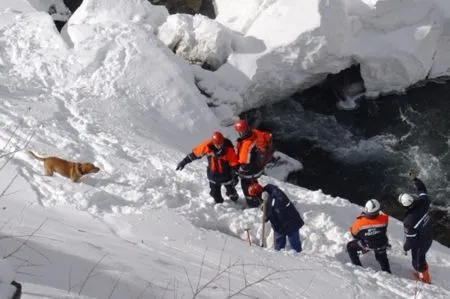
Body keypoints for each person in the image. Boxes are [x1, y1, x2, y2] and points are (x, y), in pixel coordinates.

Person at [176, 132, 239, 204]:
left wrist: (235, 175)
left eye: (221, 143)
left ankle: (233, 197)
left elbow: (234, 163)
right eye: (217, 144)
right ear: (213, 142)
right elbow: (195, 154)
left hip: (226, 176)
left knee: (233, 196)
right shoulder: (207, 146)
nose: (219, 146)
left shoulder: (228, 148)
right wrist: (184, 162)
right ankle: (219, 205)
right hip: (213, 176)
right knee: (217, 198)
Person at [248, 182, 304, 252]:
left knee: (296, 248)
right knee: (278, 249)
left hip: (290, 222)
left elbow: (281, 201)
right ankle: (278, 261)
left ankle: (298, 262)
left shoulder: (274, 192)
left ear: (258, 193)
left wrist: (269, 200)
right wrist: (266, 216)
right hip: (278, 226)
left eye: (255, 196)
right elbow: (271, 211)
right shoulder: (262, 199)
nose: (255, 199)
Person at [398, 171, 433, 283]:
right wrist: (415, 180)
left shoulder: (409, 221)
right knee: (421, 256)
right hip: (429, 233)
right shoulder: (423, 201)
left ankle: (425, 278)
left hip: (420, 243)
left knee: (417, 263)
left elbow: (411, 241)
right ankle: (423, 265)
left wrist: (405, 248)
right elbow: (422, 190)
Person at [234, 119, 274, 207]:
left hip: (250, 172)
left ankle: (253, 204)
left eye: (240, 132)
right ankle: (261, 197)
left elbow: (245, 164)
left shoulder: (247, 145)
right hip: (256, 168)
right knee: (254, 185)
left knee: (247, 188)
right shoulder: (254, 133)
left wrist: (238, 170)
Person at [347, 199, 391, 273]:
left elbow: (354, 234)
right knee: (382, 259)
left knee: (350, 247)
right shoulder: (385, 219)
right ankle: (387, 272)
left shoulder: (360, 222)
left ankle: (358, 267)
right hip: (382, 244)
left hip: (368, 245)